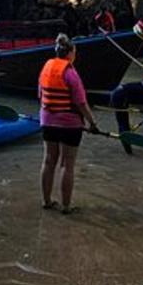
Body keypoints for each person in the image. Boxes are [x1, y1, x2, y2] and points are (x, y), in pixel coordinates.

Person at [38, 34, 99, 214]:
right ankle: (66, 206)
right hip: (69, 125)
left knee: (49, 160)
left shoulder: (46, 68)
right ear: (71, 53)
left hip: (47, 121)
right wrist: (93, 123)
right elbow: (81, 103)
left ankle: (46, 201)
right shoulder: (71, 73)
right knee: (67, 164)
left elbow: (40, 95)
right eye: (75, 52)